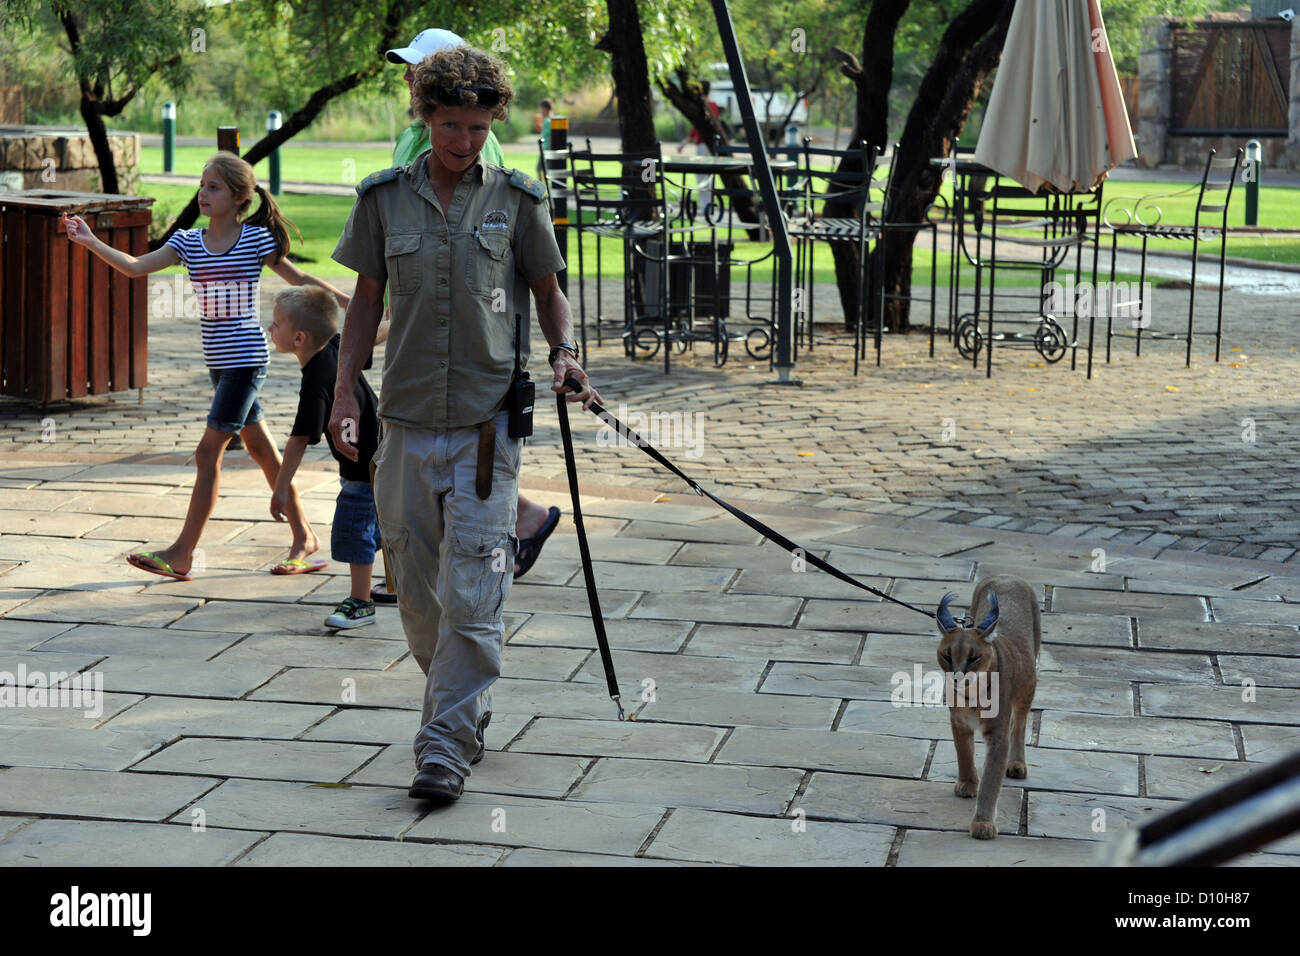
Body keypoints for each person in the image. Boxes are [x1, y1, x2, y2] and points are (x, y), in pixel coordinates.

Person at [330, 45, 599, 804]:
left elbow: (549, 293)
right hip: (404, 428)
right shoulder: (384, 200)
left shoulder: (517, 201)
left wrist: (564, 354)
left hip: (488, 435)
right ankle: (462, 706)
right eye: (452, 124)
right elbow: (363, 307)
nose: (465, 141)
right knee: (418, 601)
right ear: (425, 115)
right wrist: (345, 394)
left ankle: (441, 746)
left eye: (479, 127)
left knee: (474, 596)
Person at [63, 153, 349, 582]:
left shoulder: (255, 241)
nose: (203, 193)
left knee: (206, 452)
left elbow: (302, 282)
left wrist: (357, 306)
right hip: (219, 364)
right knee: (261, 452)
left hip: (247, 361)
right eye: (202, 185)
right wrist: (88, 239)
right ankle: (304, 536)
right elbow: (136, 267)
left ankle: (181, 552)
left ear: (239, 199)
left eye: (214, 187)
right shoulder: (187, 243)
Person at [384, 28, 562, 588]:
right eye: (408, 67)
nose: (464, 140)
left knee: (469, 575)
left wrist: (566, 353)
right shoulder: (410, 148)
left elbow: (537, 279)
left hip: (483, 383)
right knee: (422, 560)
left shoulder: (479, 158)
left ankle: (499, 540)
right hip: (418, 377)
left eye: (421, 65)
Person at [268, 286, 382, 629]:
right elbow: (368, 337)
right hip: (381, 459)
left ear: (299, 337)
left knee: (352, 531)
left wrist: (281, 487)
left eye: (275, 325)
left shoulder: (316, 378)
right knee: (381, 527)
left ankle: (362, 603)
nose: (270, 330)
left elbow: (300, 438)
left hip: (361, 470)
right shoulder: (336, 348)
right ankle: (400, 580)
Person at [677, 79, 722, 218]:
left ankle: (706, 207)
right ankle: (708, 205)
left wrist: (685, 142)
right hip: (710, 146)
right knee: (708, 177)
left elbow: (698, 128)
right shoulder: (714, 106)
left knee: (702, 177)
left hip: (703, 146)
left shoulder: (704, 107)